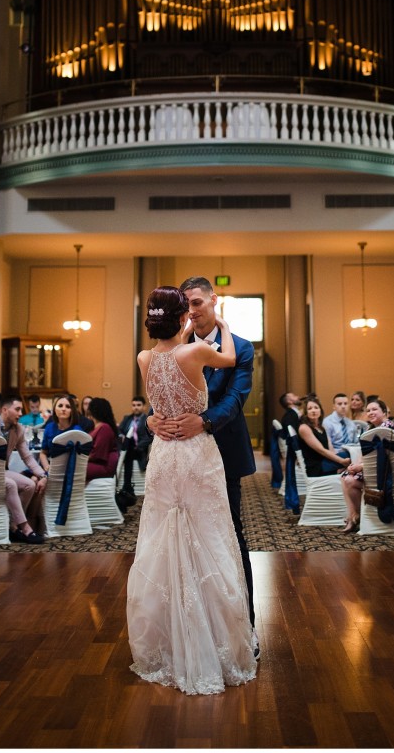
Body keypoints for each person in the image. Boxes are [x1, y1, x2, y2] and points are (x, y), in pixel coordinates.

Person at [127, 285, 257, 695]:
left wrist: (202, 421)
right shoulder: (196, 350)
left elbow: (235, 397)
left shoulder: (148, 356)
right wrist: (152, 420)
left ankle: (233, 632)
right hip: (191, 456)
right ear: (183, 314)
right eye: (188, 306)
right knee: (195, 538)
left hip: (184, 453)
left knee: (218, 535)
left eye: (199, 303)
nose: (194, 311)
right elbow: (161, 402)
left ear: (210, 302)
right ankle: (198, 639)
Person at [0, 395, 47, 543]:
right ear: (5, 409)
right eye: (17, 409)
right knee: (10, 484)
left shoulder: (18, 429)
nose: (20, 414)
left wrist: (43, 475)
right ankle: (25, 528)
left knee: (29, 485)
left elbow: (28, 458)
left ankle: (13, 525)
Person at [340, 398, 394, 532]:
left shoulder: (387, 428)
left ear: (384, 412)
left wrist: (361, 467)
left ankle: (355, 516)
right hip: (376, 470)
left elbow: (385, 458)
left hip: (389, 473)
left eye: (374, 409)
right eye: (368, 410)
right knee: (346, 477)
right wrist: (355, 465)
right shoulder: (372, 429)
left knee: (348, 480)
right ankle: (354, 515)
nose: (370, 412)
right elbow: (365, 454)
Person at [297, 394, 351, 477]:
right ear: (306, 412)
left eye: (316, 408)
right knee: (349, 456)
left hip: (325, 461)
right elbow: (321, 450)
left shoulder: (321, 427)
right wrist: (341, 461)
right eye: (309, 409)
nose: (313, 411)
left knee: (350, 454)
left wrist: (339, 458)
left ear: (320, 410)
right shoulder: (304, 428)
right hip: (316, 466)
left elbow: (330, 449)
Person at [39, 394, 87, 474]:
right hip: (49, 466)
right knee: (32, 480)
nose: (63, 409)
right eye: (60, 406)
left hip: (68, 470)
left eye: (68, 407)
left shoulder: (77, 431)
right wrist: (46, 467)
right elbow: (43, 453)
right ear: (54, 409)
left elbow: (82, 457)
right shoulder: (49, 427)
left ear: (72, 411)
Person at [117, 396, 151, 500]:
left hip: (139, 450)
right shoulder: (127, 418)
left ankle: (126, 485)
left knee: (130, 447)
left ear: (144, 407)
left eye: (138, 405)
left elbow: (149, 437)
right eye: (134, 405)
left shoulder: (147, 420)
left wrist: (138, 446)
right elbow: (119, 431)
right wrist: (121, 436)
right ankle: (126, 485)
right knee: (127, 445)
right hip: (127, 449)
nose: (136, 407)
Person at [86, 397, 120, 482]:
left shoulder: (104, 427)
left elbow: (98, 454)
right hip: (97, 463)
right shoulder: (97, 427)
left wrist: (80, 458)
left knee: (71, 468)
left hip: (103, 466)